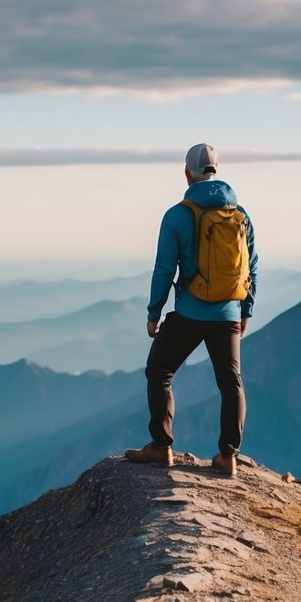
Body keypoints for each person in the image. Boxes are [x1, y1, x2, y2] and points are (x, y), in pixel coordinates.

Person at [125, 143, 258, 476]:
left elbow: (164, 268)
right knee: (231, 383)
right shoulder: (240, 215)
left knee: (159, 371)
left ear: (187, 172)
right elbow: (250, 266)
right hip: (228, 313)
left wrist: (154, 312)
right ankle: (229, 456)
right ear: (217, 170)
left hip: (190, 313)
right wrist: (245, 311)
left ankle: (161, 447)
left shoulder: (177, 214)